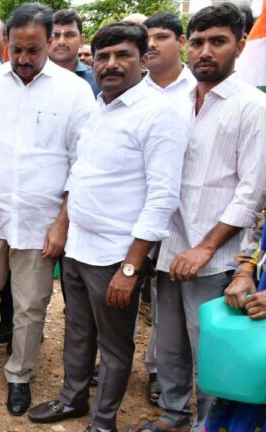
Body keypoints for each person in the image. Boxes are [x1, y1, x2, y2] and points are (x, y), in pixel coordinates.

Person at [27, 22, 188, 432]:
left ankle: (103, 422)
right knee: (77, 333)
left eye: (123, 55)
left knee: (113, 346)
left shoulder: (158, 115)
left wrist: (131, 267)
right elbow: (79, 174)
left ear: (144, 60)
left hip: (116, 255)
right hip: (79, 248)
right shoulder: (98, 108)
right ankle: (72, 400)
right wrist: (62, 227)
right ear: (93, 62)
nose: (111, 64)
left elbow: (162, 197)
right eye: (104, 57)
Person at [0, 2, 95, 416]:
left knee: (31, 302)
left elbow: (80, 165)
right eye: (17, 50)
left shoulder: (74, 92)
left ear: (51, 42)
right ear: (7, 45)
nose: (24, 59)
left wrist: (62, 224)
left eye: (33, 50)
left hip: (41, 220)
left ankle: (19, 375)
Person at [140, 4, 266, 432]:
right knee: (170, 344)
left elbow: (250, 192)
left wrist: (205, 247)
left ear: (240, 44)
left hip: (216, 257)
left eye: (218, 41)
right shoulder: (175, 102)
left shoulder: (252, 107)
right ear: (185, 46)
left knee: (211, 348)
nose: (204, 51)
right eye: (197, 42)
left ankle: (207, 425)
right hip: (169, 247)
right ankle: (174, 416)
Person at [140, 11, 197, 408]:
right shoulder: (129, 91)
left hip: (183, 218)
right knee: (124, 292)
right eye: (147, 38)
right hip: (132, 215)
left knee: (167, 301)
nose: (153, 44)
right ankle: (110, 362)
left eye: (162, 36)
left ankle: (159, 368)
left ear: (181, 42)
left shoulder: (199, 92)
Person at [49, 9, 99, 96]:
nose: (61, 42)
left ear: (81, 40)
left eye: (70, 35)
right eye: (55, 35)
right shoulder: (29, 78)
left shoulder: (98, 80)